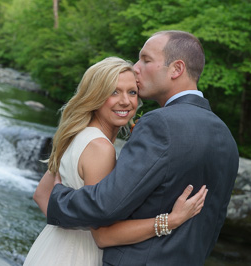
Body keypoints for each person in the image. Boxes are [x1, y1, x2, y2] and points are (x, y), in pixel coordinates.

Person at [46, 31, 239, 265]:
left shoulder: (161, 124)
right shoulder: (227, 137)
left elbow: (106, 205)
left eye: (146, 60)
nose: (136, 68)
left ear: (176, 69)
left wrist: (59, 197)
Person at [23, 57, 207, 266]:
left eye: (132, 92)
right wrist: (170, 221)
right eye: (114, 92)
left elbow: (41, 195)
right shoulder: (101, 149)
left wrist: (68, 228)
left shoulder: (75, 134)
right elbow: (103, 236)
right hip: (77, 257)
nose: (125, 101)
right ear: (96, 96)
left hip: (50, 249)